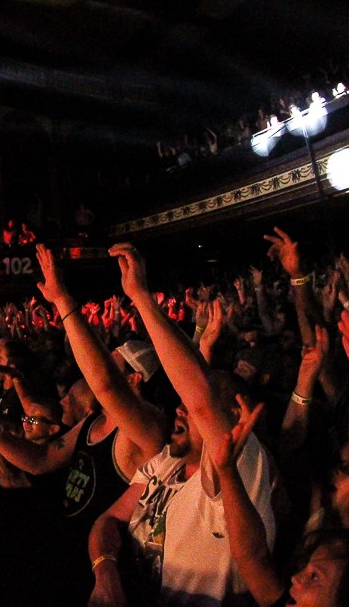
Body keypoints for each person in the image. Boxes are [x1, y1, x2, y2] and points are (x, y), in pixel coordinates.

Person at [88, 243, 275, 607]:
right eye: (183, 405)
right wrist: (106, 574)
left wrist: (141, 298)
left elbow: (201, 400)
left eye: (190, 407)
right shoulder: (167, 463)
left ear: (235, 418)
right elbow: (107, 521)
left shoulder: (241, 463)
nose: (180, 409)